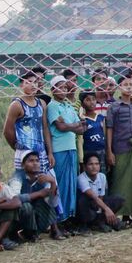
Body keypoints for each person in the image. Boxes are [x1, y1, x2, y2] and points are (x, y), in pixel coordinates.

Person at [45, 74, 85, 229]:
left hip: (71, 149)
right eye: (60, 87)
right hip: (59, 149)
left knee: (71, 184)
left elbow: (82, 128)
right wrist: (73, 125)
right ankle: (58, 219)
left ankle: (68, 217)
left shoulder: (68, 106)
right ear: (53, 90)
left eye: (65, 88)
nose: (63, 90)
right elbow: (61, 127)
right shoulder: (53, 106)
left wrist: (69, 125)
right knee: (61, 184)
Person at [105, 73, 132, 223]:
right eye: (125, 85)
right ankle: (117, 214)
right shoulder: (114, 107)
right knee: (119, 180)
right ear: (119, 87)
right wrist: (109, 151)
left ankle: (130, 213)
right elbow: (109, 129)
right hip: (119, 148)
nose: (129, 87)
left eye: (131, 85)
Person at [3, 70, 53, 189]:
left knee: (43, 184)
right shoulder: (17, 104)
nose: (33, 85)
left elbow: (45, 128)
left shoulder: (42, 103)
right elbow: (7, 131)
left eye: (35, 82)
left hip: (41, 153)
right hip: (24, 153)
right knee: (23, 185)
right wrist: (16, 146)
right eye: (29, 82)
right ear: (21, 85)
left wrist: (50, 152)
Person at [17, 151, 61, 241]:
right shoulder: (17, 177)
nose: (35, 163)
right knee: (26, 207)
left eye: (37, 161)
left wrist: (53, 183)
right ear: (23, 165)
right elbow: (14, 199)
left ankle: (37, 233)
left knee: (45, 203)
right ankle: (25, 233)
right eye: (31, 161)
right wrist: (39, 194)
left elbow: (53, 203)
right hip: (20, 214)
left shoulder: (44, 177)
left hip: (35, 212)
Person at [76, 153, 123, 232]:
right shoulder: (81, 178)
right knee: (83, 200)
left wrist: (102, 211)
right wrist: (107, 209)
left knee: (119, 199)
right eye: (91, 164)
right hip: (86, 208)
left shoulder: (102, 176)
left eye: (97, 164)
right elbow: (94, 197)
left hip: (97, 206)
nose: (94, 167)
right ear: (84, 166)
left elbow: (101, 197)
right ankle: (90, 224)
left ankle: (100, 221)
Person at [79, 91, 107, 176]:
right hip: (88, 152)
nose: (92, 102)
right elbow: (80, 140)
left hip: (102, 152)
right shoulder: (82, 120)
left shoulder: (101, 117)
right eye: (88, 100)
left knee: (102, 175)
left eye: (93, 99)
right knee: (89, 176)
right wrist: (81, 159)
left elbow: (105, 135)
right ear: (82, 104)